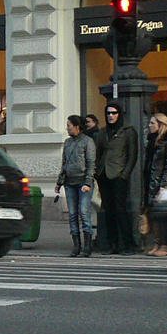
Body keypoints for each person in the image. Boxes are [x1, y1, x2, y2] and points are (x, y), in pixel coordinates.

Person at [55, 115, 97, 257]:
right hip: (69, 182)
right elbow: (64, 163)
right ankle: (76, 246)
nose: (67, 128)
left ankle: (87, 246)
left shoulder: (87, 142)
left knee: (84, 213)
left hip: (82, 182)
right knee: (72, 214)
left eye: (69, 125)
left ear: (76, 126)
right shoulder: (67, 142)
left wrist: (88, 182)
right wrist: (59, 182)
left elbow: (91, 164)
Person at [100, 103, 137, 254]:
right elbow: (99, 152)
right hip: (104, 174)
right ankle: (112, 244)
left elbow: (132, 155)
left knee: (120, 210)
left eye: (114, 113)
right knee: (108, 211)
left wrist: (124, 175)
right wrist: (97, 171)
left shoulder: (128, 131)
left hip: (118, 175)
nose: (111, 116)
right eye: (108, 113)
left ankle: (129, 244)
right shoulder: (103, 132)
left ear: (119, 114)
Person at [144, 112, 167, 255]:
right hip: (152, 181)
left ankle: (165, 246)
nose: (149, 126)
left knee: (163, 215)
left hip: (163, 183)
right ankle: (157, 244)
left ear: (161, 124)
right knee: (154, 214)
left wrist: (164, 185)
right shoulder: (153, 141)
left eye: (152, 123)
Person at [82, 113, 105, 249]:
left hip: (93, 173)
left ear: (95, 122)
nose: (87, 124)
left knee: (94, 200)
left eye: (89, 122)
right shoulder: (90, 135)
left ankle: (95, 227)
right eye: (85, 122)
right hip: (92, 172)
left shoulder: (94, 136)